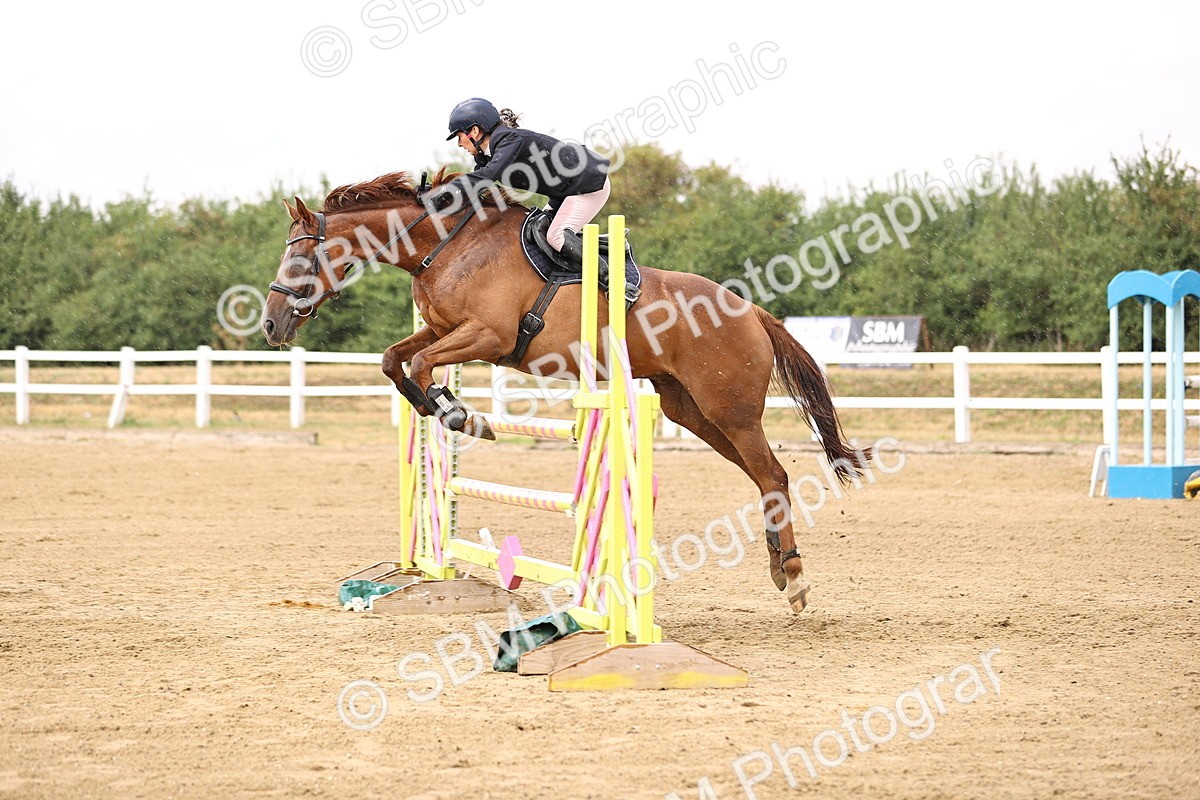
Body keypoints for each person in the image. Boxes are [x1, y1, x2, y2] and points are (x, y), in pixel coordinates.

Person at [434, 97, 638, 306]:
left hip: (588, 184)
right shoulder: (486, 155)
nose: (459, 144)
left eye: (459, 137)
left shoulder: (508, 140)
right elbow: (476, 186)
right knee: (535, 229)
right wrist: (437, 198)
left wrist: (450, 189)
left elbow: (488, 176)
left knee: (556, 236)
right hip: (565, 193)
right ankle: (603, 247)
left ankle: (616, 283)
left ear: (474, 132)